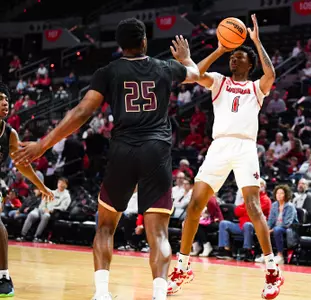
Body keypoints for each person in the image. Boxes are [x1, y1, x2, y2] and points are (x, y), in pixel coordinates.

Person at [12, 18, 200, 300]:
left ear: (119, 45)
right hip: (157, 151)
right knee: (158, 234)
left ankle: (102, 293)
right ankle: (159, 295)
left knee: (105, 226)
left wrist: (43, 144)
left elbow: (81, 112)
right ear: (145, 42)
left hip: (123, 150)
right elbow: (195, 74)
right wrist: (185, 57)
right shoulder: (164, 67)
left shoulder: (108, 71)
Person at [166, 14, 283, 299]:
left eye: (239, 57)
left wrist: (255, 41)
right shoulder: (218, 81)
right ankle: (182, 266)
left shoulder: (256, 87)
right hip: (219, 147)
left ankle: (272, 271)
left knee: (254, 207)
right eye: (232, 57)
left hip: (244, 148)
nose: (234, 60)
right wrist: (219, 48)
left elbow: (271, 76)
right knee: (194, 205)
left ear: (249, 63)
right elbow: (192, 75)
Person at [0, 82, 53, 297]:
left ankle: (3, 275)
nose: (5, 103)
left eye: (6, 99)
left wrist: (42, 186)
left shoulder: (9, 133)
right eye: (0, 98)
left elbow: (23, 165)